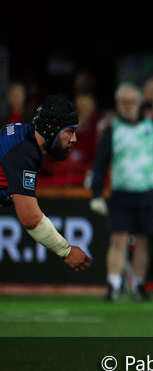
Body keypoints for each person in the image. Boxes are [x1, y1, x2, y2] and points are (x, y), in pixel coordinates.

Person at [89, 83, 153, 301]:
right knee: (118, 238)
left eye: (131, 101)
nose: (127, 106)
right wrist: (96, 193)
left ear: (139, 102)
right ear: (117, 104)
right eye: (123, 102)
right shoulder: (112, 129)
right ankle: (113, 285)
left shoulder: (152, 126)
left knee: (143, 240)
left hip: (148, 191)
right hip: (122, 191)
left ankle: (139, 285)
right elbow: (100, 164)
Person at [0, 95, 91, 272]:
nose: (74, 139)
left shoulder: (23, 137)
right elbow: (30, 217)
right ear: (51, 128)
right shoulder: (24, 151)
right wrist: (66, 250)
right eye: (69, 131)